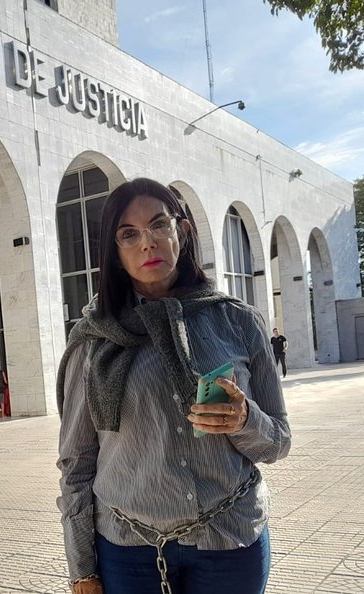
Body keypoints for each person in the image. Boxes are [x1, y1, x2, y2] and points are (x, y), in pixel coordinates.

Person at [56, 178, 291, 594]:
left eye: (158, 225)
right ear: (114, 252)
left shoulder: (237, 321)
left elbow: (277, 443)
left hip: (230, 541)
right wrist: (82, 568)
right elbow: (76, 463)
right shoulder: (94, 340)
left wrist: (244, 419)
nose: (147, 243)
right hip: (129, 552)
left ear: (181, 231)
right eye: (129, 234)